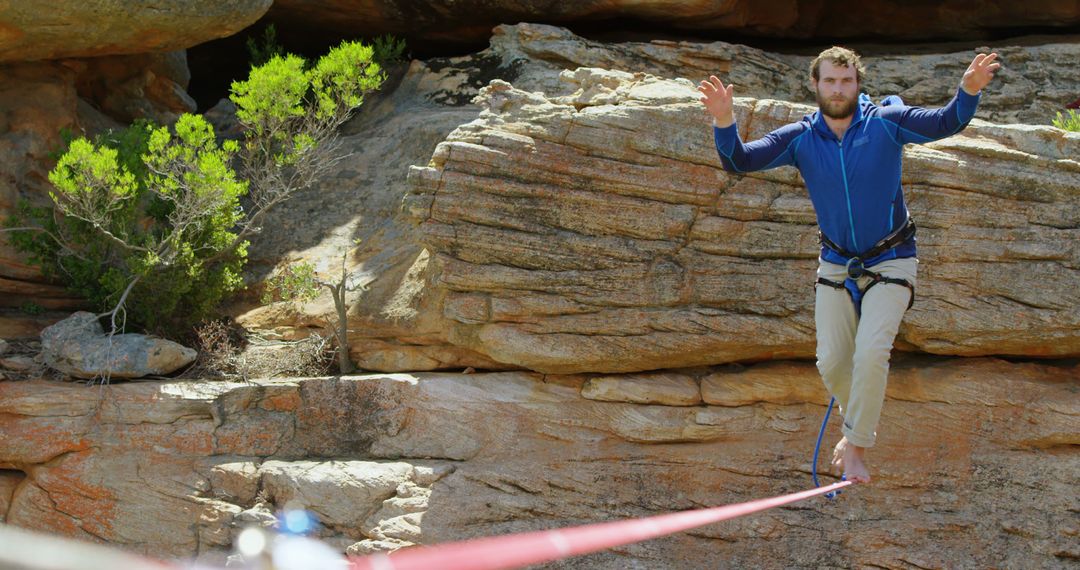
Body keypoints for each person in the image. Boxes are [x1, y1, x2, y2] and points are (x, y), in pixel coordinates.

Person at [698, 47, 1000, 483]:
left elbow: (945, 122)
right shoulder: (800, 137)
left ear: (857, 83)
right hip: (837, 265)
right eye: (829, 81)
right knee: (832, 363)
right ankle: (856, 422)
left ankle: (856, 444)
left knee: (872, 353)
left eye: (846, 81)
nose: (838, 89)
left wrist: (967, 91)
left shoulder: (886, 124)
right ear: (815, 85)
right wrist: (724, 121)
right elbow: (738, 161)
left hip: (893, 259)